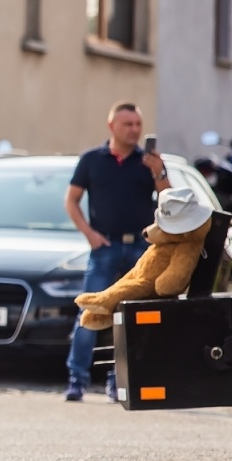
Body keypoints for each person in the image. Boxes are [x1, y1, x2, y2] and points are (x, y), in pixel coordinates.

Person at [63, 102, 171, 402]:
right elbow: (71, 201)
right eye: (128, 124)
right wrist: (90, 235)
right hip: (105, 247)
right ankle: (77, 380)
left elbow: (169, 202)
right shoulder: (92, 161)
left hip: (140, 248)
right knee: (90, 312)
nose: (134, 130)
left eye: (138, 124)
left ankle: (119, 381)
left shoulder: (148, 162)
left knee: (132, 316)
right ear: (112, 126)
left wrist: (159, 172)